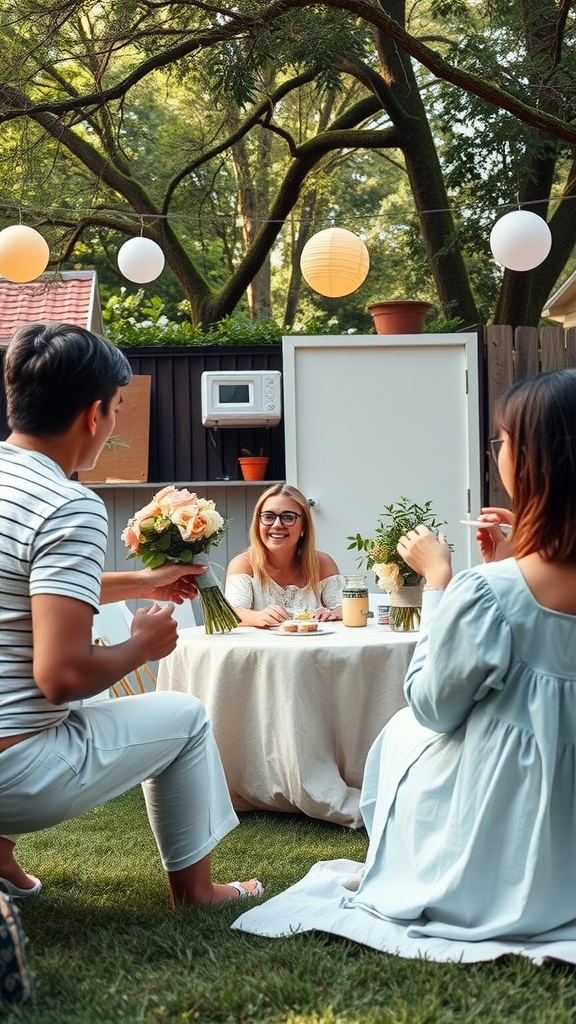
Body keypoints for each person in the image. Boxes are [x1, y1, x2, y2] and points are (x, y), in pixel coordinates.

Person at [232, 368, 576, 963]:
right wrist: (520, 551)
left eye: (501, 442)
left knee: (401, 731)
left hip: (514, 817)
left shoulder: (490, 592)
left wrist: (444, 581)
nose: (499, 456)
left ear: (531, 461)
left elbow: (434, 702)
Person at [0, 322, 261, 908]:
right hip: (15, 769)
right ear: (94, 416)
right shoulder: (67, 503)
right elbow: (61, 676)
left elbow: (28, 588)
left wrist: (144, 581)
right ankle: (199, 892)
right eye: (117, 409)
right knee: (187, 717)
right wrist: (141, 645)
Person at [225, 483, 342, 627]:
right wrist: (257, 617)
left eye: (288, 517)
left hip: (314, 648)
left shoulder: (323, 563)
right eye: (268, 516)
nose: (276, 525)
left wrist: (334, 613)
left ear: (304, 526)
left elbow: (348, 609)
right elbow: (230, 613)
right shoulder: (244, 564)